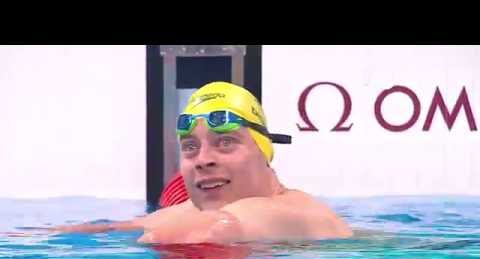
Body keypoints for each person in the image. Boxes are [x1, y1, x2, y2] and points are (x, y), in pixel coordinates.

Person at [53, 81, 353, 244]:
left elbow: (214, 229)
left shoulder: (295, 212)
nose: (203, 160)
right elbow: (114, 229)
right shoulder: (190, 210)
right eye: (191, 147)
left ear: (264, 152)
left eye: (226, 142)